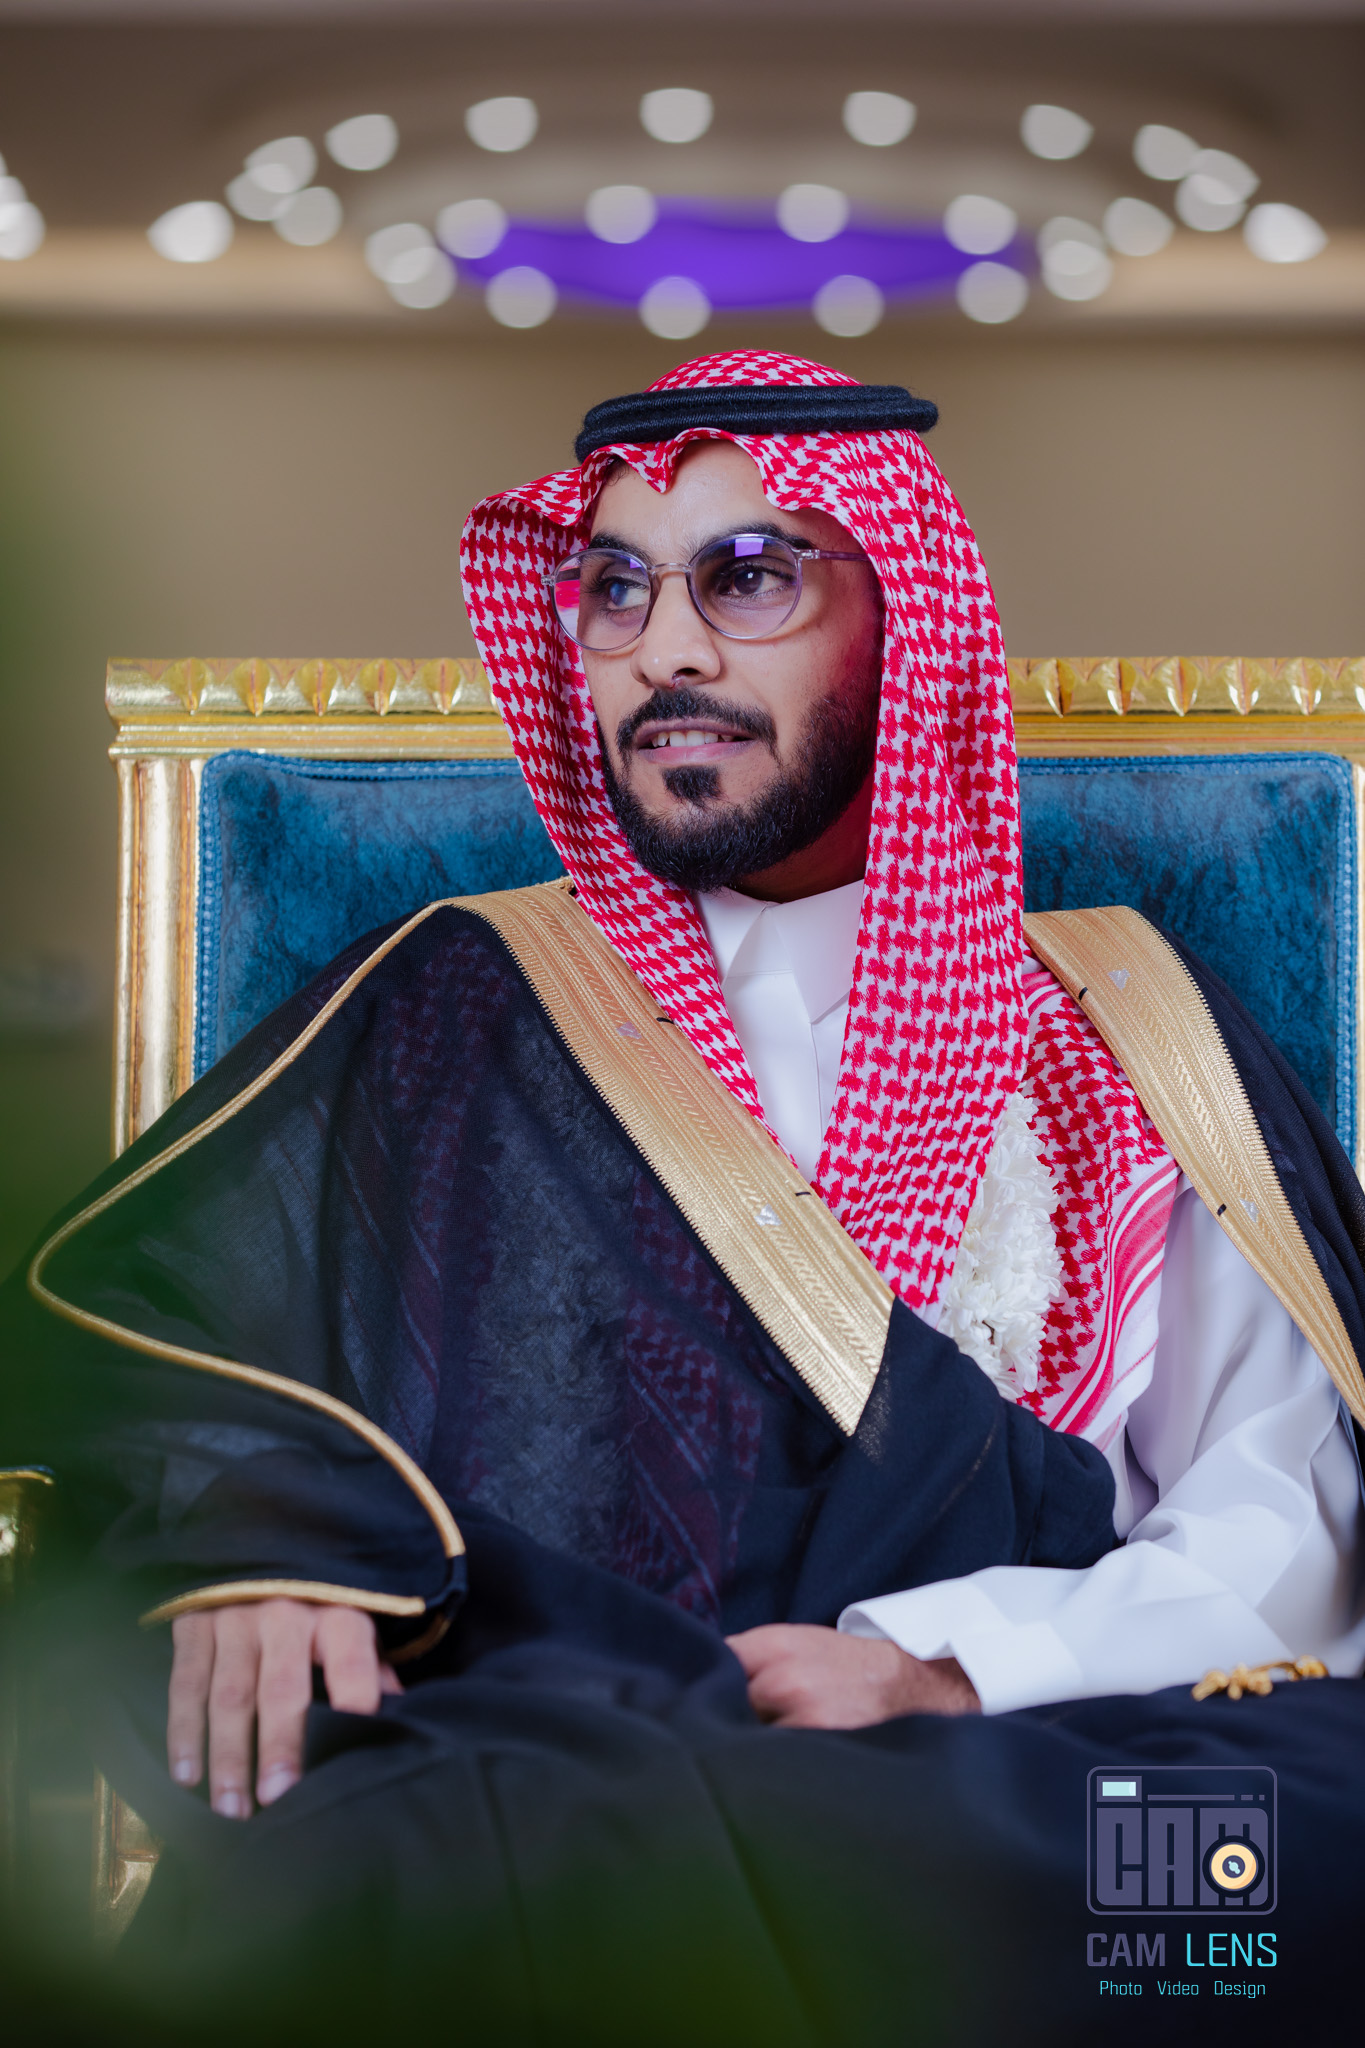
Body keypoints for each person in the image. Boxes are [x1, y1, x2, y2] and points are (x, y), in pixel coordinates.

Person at [5, 351, 1365, 2044]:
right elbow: (149, 1341)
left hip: (1026, 1745)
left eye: (747, 578)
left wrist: (942, 1667)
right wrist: (266, 1539)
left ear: (909, 623)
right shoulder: (455, 1002)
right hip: (553, 1736)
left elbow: (1281, 1516)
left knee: (1251, 1867)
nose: (665, 651)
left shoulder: (1117, 1024)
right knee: (466, 1837)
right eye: (614, 590)